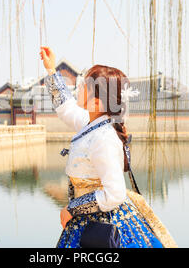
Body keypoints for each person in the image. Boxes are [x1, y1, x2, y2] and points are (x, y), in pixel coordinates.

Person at [40, 46, 163, 248]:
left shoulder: (103, 138)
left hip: (103, 228)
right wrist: (51, 70)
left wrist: (73, 209)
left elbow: (114, 193)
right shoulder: (91, 123)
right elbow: (66, 108)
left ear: (96, 103)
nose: (78, 88)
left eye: (83, 86)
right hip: (86, 222)